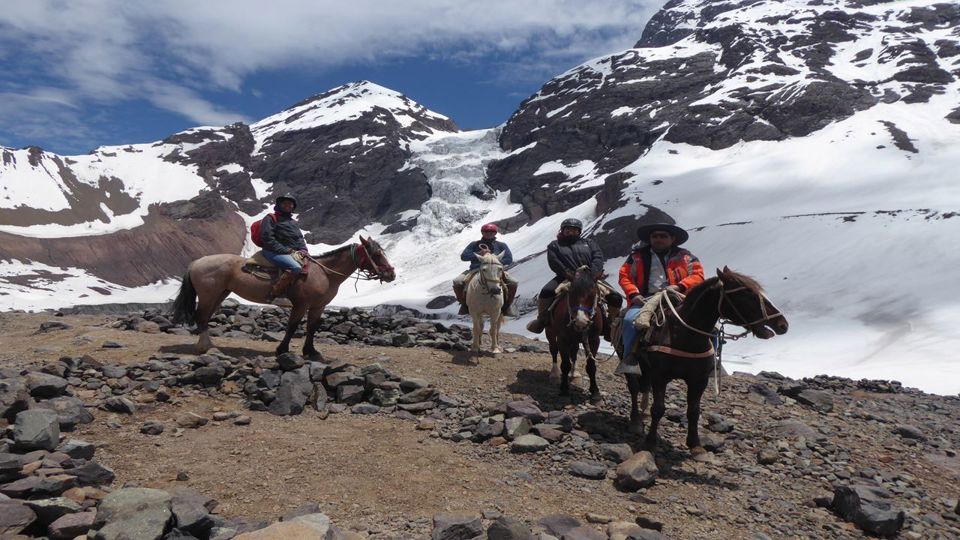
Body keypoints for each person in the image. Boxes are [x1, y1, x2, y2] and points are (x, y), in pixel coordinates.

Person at [615, 222, 704, 375]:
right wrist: (634, 294)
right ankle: (629, 358)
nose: (658, 239)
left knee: (707, 323)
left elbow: (698, 275)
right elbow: (625, 276)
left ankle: (710, 360)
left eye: (663, 236)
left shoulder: (686, 256)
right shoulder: (636, 257)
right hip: (645, 298)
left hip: (677, 296)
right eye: (654, 236)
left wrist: (680, 286)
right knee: (630, 321)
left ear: (672, 238)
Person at [526, 218, 622, 334]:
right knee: (546, 291)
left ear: (579, 231)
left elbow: (597, 257)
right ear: (562, 230)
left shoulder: (590, 243)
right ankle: (542, 320)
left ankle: (610, 323)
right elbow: (555, 263)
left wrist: (593, 274)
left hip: (589, 278)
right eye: (568, 229)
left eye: (574, 230)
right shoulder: (555, 245)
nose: (571, 232)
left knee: (615, 297)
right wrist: (570, 274)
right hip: (565, 277)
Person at [452, 223, 518, 315]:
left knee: (513, 282)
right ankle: (464, 305)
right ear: (482, 233)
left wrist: (493, 261)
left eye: (491, 232)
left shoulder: (501, 245)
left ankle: (507, 306)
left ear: (495, 233)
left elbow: (508, 259)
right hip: (475, 270)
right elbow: (464, 256)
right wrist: (479, 253)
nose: (489, 233)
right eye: (486, 232)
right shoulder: (474, 244)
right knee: (457, 281)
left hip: (495, 271)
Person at [259, 194, 309, 302]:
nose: (288, 206)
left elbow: (299, 238)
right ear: (279, 205)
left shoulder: (293, 222)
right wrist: (287, 251)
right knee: (295, 267)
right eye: (285, 203)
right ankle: (276, 294)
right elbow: (268, 239)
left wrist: (303, 250)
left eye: (290, 204)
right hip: (272, 251)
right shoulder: (270, 218)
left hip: (292, 252)